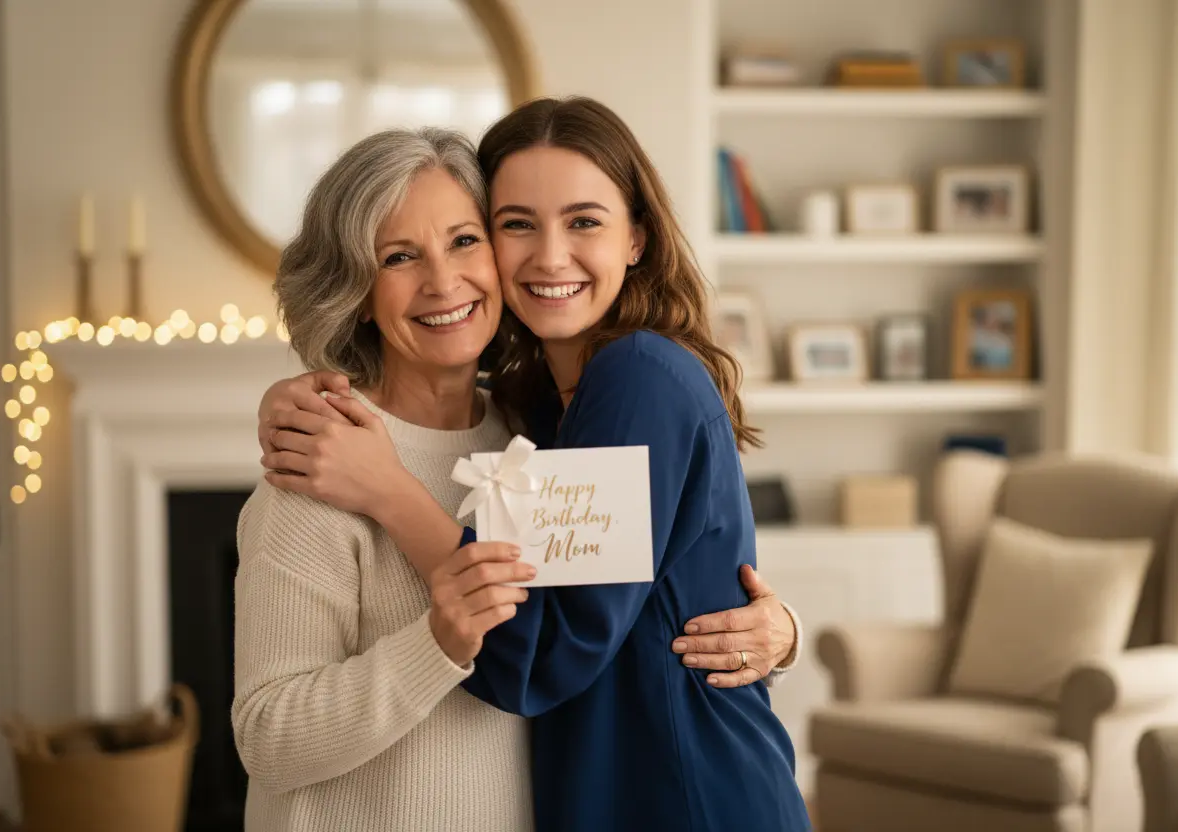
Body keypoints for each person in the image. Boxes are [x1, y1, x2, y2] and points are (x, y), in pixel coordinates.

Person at [259, 97, 810, 831]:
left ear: (637, 238)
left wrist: (390, 491)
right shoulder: (535, 414)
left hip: (683, 798)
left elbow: (543, 655)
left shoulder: (636, 377)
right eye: (516, 224)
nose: (550, 256)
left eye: (584, 221)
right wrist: (303, 395)